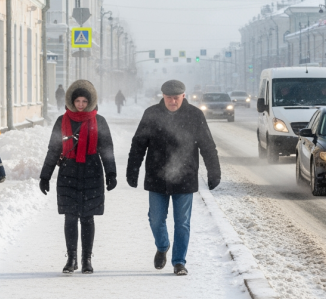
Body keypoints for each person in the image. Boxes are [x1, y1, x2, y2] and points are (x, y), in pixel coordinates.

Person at [127, 80, 221, 276]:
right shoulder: (151, 114)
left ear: (183, 96)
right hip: (156, 175)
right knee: (155, 219)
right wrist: (132, 170)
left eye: (176, 97)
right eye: (168, 97)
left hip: (185, 176)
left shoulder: (195, 115)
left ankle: (179, 262)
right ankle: (162, 247)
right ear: (163, 96)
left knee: (182, 222)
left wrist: (214, 172)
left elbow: (207, 146)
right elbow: (138, 144)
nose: (172, 101)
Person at [39, 80, 117, 275]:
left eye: (84, 101)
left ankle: (86, 260)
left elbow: (107, 149)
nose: (80, 104)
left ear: (89, 102)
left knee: (88, 218)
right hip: (68, 171)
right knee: (70, 217)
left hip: (92, 171)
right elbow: (53, 149)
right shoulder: (62, 121)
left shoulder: (99, 121)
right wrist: (45, 176)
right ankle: (71, 258)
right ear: (71, 101)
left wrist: (111, 174)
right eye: (77, 101)